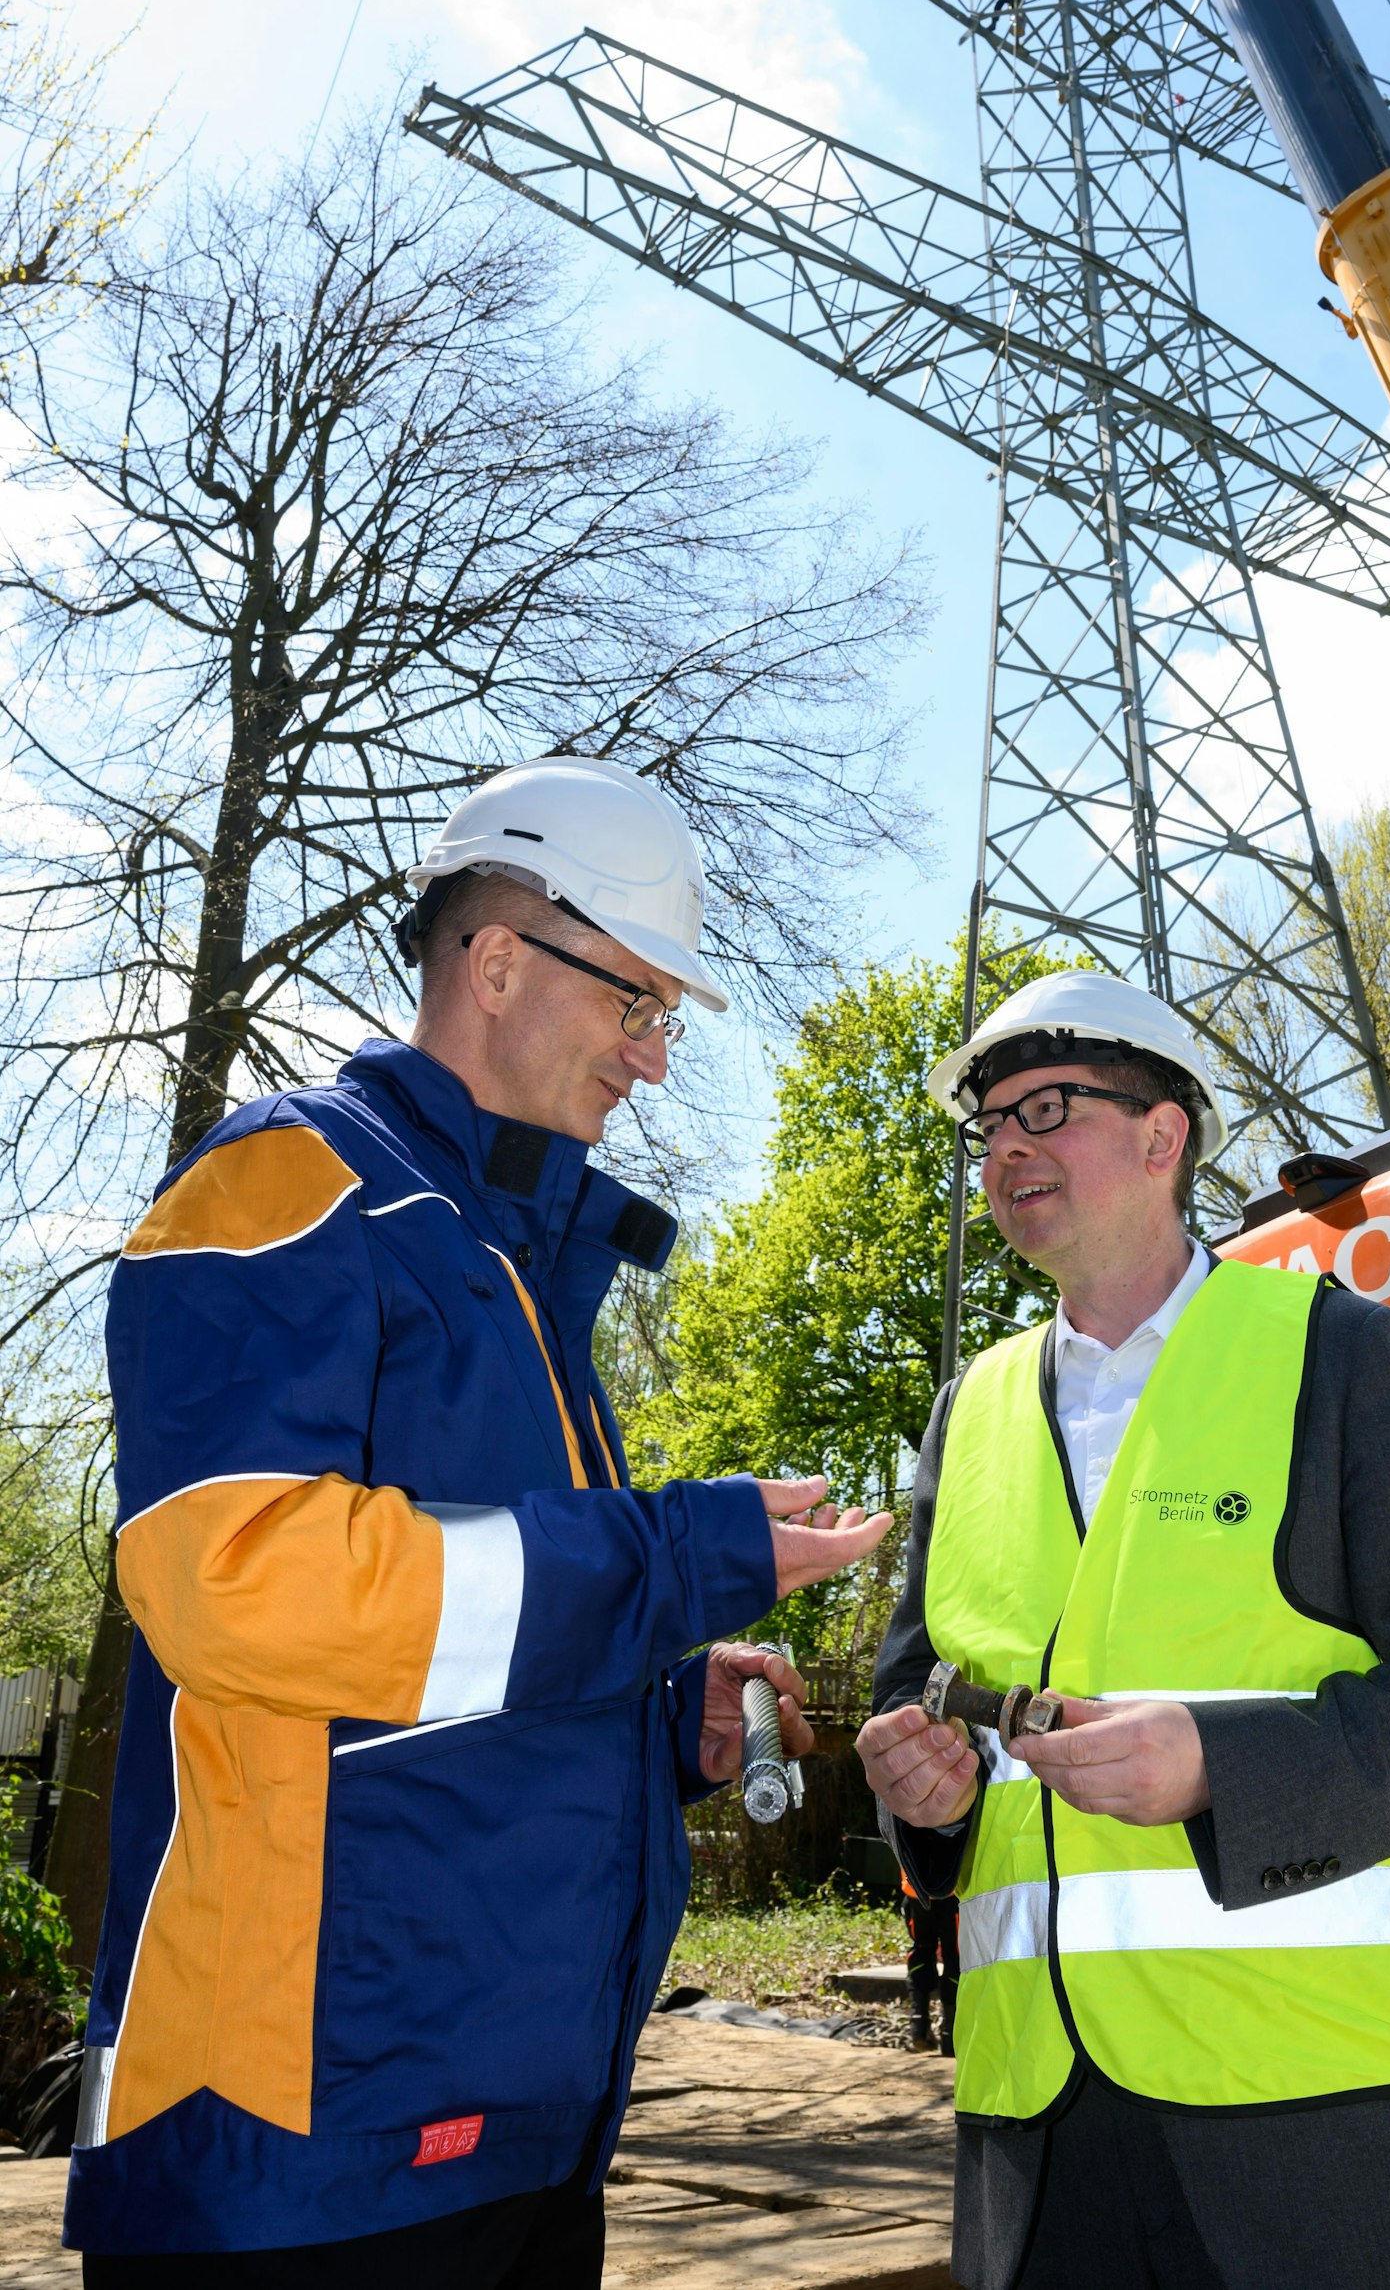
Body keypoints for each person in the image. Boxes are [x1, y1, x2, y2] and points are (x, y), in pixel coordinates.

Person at [66, 756, 892, 2285]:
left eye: (665, 1015)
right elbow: (243, 1593)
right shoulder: (286, 1188)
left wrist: (664, 1717)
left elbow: (456, 1652)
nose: (654, 1058)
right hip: (296, 2151)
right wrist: (671, 1558)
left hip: (514, 2128)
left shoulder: (515, 1272)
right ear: (499, 962)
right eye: (636, 1001)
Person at [856, 972, 1390, 2290]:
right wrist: (923, 1794)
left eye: (1047, 1108)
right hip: (1041, 2137)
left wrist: (1218, 1768)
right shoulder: (968, 1413)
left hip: (1328, 2119)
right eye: (989, 1125)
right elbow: (917, 1700)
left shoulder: (1338, 1353)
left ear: (1163, 1137)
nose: (1007, 1146)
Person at [898, 1867, 959, 2055]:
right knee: (956, 1957)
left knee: (922, 1950)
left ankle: (919, 2027)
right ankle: (951, 2035)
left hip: (915, 1886)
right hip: (953, 1889)